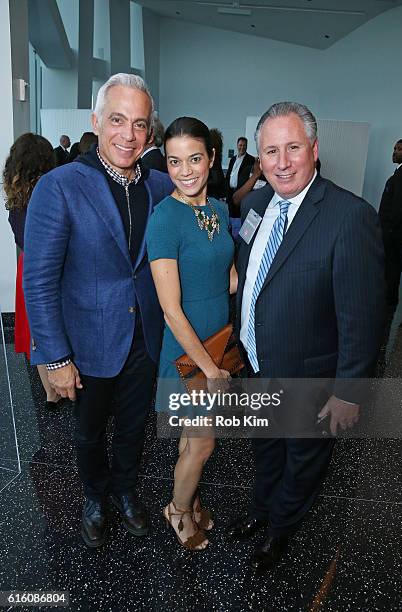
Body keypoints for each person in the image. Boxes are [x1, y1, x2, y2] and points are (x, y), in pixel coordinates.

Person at [228, 101, 385, 571]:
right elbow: (252, 274)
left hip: (311, 377)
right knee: (265, 446)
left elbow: (362, 318)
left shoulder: (348, 217)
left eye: (292, 147)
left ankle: (280, 529)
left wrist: (348, 391)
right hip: (256, 366)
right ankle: (261, 508)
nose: (282, 162)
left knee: (302, 460)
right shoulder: (256, 205)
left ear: (314, 150)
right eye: (271, 151)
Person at [23, 73, 173, 548]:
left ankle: (126, 492)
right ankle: (94, 495)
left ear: (150, 132)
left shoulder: (163, 187)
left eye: (139, 124)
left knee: (133, 428)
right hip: (86, 343)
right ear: (96, 121)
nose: (128, 135)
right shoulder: (60, 185)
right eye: (117, 120)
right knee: (88, 434)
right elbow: (39, 280)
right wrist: (56, 358)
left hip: (145, 338)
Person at [146, 117, 237, 550]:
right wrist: (210, 369)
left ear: (212, 158)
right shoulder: (164, 218)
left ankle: (188, 497)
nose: (185, 170)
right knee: (203, 444)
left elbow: (230, 277)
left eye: (194, 158)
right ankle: (178, 511)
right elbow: (170, 309)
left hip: (218, 342)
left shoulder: (218, 209)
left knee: (192, 439)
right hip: (188, 354)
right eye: (175, 161)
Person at [3, 133, 63, 410]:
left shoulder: (15, 199)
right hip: (52, 264)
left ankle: (50, 394)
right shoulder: (51, 192)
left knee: (37, 330)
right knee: (55, 324)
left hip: (26, 266)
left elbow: (21, 238)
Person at [378, 138, 402, 318]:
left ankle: (389, 303)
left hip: (394, 234)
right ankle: (389, 301)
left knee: (392, 266)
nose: (395, 152)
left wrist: (389, 232)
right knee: (391, 266)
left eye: (399, 149)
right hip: (393, 232)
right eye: (394, 148)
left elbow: (400, 205)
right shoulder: (400, 172)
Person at [226, 137, 255, 217]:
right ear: (237, 146)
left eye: (244, 145)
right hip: (230, 192)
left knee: (239, 217)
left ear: (247, 146)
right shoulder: (232, 159)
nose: (242, 147)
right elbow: (228, 175)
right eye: (240, 145)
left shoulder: (251, 160)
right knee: (231, 216)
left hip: (242, 193)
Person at [207, 128, 227, 200]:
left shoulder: (212, 157)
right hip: (216, 195)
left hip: (211, 194)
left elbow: (215, 179)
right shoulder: (217, 156)